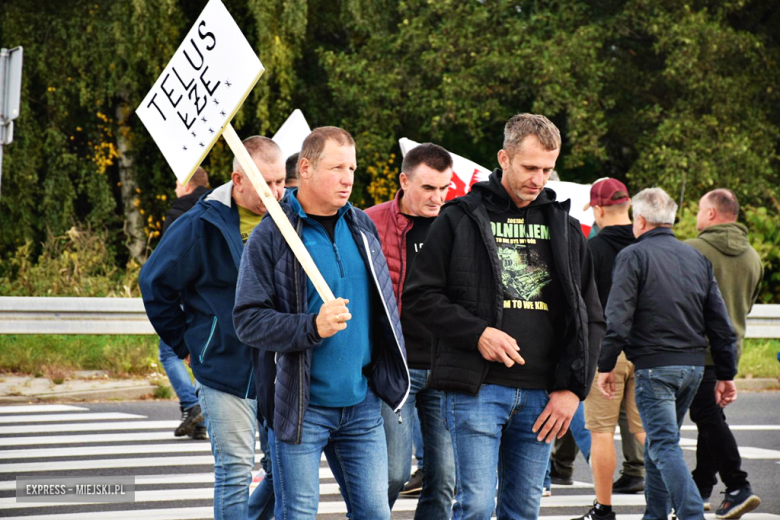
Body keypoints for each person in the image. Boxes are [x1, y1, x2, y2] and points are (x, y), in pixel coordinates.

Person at [404, 113, 606, 519]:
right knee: (475, 507)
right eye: (530, 167)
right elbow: (420, 296)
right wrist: (477, 333)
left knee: (523, 511)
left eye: (548, 169)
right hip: (476, 390)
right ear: (504, 158)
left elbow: (590, 318)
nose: (539, 178)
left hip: (544, 396)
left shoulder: (566, 228)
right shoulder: (459, 217)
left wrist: (572, 390)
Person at [233, 126, 410, 520]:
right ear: (307, 169)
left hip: (361, 402)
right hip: (301, 403)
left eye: (352, 167)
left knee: (375, 514)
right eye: (336, 168)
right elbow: (247, 321)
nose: (347, 178)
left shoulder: (362, 226)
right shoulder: (273, 235)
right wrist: (311, 326)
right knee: (297, 513)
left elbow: (384, 309)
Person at [140, 137, 285, 520]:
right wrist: (187, 344)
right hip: (223, 367)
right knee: (236, 472)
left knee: (285, 473)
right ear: (238, 179)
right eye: (266, 183)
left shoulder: (291, 218)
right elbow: (155, 282)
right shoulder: (200, 224)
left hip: (281, 368)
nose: (276, 192)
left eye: (281, 182)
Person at [597, 187, 738, 520]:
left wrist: (605, 364)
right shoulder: (695, 257)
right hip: (692, 368)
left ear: (640, 220)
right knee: (659, 442)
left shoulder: (633, 255)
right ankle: (655, 514)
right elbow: (720, 322)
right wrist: (726, 373)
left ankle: (691, 514)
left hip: (654, 367)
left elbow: (618, 317)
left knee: (662, 444)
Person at [365, 142, 456, 518]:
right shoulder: (369, 222)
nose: (437, 198)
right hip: (394, 365)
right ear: (404, 181)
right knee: (393, 473)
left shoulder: (456, 224)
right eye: (428, 188)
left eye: (444, 188)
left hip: (446, 365)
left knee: (445, 476)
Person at [686, 189, 763, 518]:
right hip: (730, 351)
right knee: (710, 419)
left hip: (697, 350)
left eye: (701, 210)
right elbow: (747, 306)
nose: (697, 216)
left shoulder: (692, 250)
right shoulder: (754, 257)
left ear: (713, 214)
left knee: (709, 418)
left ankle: (737, 484)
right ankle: (702, 485)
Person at [573, 178, 645, 520]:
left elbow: (580, 302)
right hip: (647, 350)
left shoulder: (593, 248)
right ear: (628, 207)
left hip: (606, 350)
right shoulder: (648, 243)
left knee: (601, 432)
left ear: (598, 209)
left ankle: (603, 509)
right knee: (647, 431)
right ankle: (678, 502)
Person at [156, 166, 210, 440]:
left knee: (170, 352)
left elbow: (167, 264)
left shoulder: (179, 212)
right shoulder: (217, 206)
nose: (176, 189)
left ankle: (192, 404)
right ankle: (201, 422)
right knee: (202, 352)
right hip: (208, 298)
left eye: (178, 183)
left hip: (181, 296)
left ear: (187, 184)